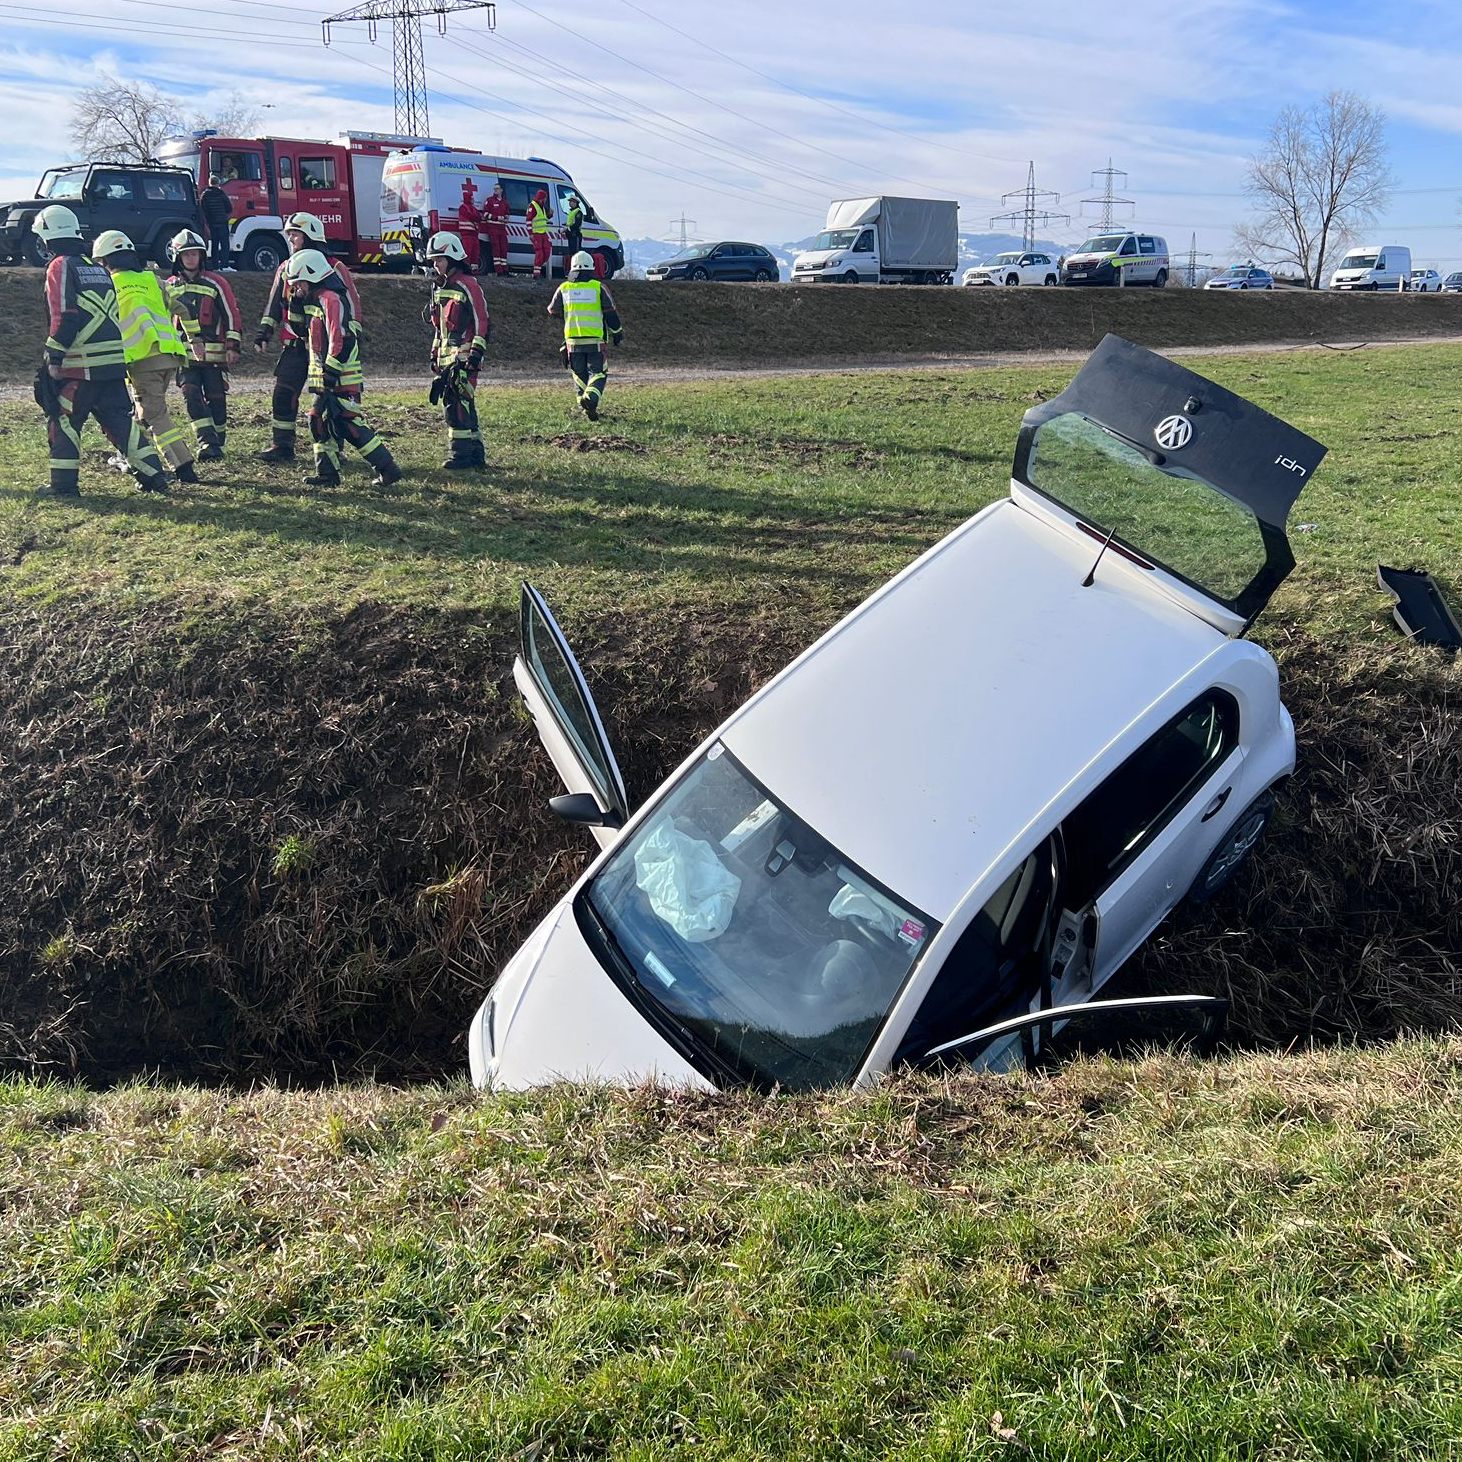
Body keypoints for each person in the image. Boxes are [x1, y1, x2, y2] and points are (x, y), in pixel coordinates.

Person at [30, 204, 168, 498]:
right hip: (112, 363)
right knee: (119, 421)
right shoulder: (97, 269)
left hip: (81, 365)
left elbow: (64, 315)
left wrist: (53, 358)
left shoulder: (60, 266)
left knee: (63, 420)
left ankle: (63, 487)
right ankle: (154, 475)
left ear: (48, 236)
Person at [286, 248, 401, 489]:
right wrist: (295, 304)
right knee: (319, 420)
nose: (296, 287)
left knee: (348, 424)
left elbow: (341, 339)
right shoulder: (312, 300)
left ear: (312, 275)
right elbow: (299, 330)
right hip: (325, 377)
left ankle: (387, 468)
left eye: (298, 282)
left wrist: (331, 373)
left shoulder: (331, 299)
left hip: (340, 376)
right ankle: (328, 474)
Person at [253, 212, 362, 463]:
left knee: (328, 400)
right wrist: (264, 332)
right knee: (283, 393)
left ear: (310, 236)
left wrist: (349, 338)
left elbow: (352, 304)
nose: (290, 239)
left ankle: (334, 450)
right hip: (295, 344)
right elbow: (274, 304)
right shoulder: (285, 267)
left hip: (325, 349)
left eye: (295, 234)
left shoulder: (335, 267)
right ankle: (282, 446)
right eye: (289, 234)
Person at [93, 229, 199, 484]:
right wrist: (195, 339)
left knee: (154, 414)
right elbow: (185, 308)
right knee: (144, 411)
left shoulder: (110, 285)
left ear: (105, 260)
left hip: (142, 359)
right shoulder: (153, 280)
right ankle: (129, 455)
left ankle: (183, 466)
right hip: (169, 355)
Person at [165, 227, 241, 461]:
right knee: (190, 393)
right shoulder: (169, 285)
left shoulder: (216, 282)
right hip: (184, 354)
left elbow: (231, 314)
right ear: (177, 257)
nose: (191, 258)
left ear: (201, 255)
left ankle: (218, 439)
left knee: (216, 397)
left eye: (194, 254)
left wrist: (233, 345)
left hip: (214, 354)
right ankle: (206, 441)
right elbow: (165, 318)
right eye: (186, 254)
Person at [424, 230, 490, 470]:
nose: (435, 265)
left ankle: (461, 457)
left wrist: (476, 353)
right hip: (446, 358)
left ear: (452, 258)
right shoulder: (439, 288)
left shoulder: (468, 285)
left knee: (457, 406)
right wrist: (434, 354)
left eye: (439, 260)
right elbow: (439, 327)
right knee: (462, 404)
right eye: (433, 261)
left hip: (464, 357)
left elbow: (482, 321)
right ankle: (475, 455)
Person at [546, 249, 623, 420]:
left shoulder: (564, 288)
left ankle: (584, 405)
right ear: (592, 268)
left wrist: (570, 316)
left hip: (572, 342)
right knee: (598, 373)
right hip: (595, 341)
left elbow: (552, 310)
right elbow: (610, 313)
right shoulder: (598, 287)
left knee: (578, 374)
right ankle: (591, 398)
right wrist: (617, 332)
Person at [198, 173, 233, 272]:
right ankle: (224, 265)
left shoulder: (204, 195)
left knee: (215, 244)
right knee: (225, 244)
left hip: (212, 223)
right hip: (222, 222)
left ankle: (215, 265)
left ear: (209, 183)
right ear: (218, 183)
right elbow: (229, 207)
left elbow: (203, 209)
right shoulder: (221, 193)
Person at [479, 181, 510, 276]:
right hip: (493, 228)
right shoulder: (490, 200)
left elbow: (507, 213)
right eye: (494, 189)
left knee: (504, 249)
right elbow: (485, 214)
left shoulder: (504, 202)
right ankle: (499, 271)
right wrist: (496, 218)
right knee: (496, 249)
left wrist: (506, 218)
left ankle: (505, 270)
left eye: (497, 189)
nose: (495, 190)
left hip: (502, 229)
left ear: (501, 190)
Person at [526, 187, 553, 280]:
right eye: (545, 198)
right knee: (539, 253)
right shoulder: (533, 206)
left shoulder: (541, 207)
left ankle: (537, 268)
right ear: (542, 198)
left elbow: (542, 219)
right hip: (536, 233)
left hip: (543, 233)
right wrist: (530, 233)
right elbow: (528, 220)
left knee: (547, 251)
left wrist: (550, 215)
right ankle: (536, 274)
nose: (545, 200)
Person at [456, 180, 481, 274]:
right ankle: (466, 269)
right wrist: (475, 217)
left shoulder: (473, 208)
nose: (473, 200)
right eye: (471, 198)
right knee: (467, 251)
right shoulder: (463, 208)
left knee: (475, 252)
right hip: (466, 233)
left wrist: (475, 217)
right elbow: (471, 216)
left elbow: (478, 217)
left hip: (474, 233)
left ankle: (474, 269)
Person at [564, 191, 584, 262]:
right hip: (571, 235)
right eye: (569, 201)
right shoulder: (571, 211)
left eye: (571, 201)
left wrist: (567, 229)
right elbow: (570, 222)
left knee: (576, 253)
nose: (570, 203)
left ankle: (577, 266)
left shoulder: (578, 212)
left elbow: (577, 224)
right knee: (571, 253)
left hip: (575, 235)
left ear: (576, 203)